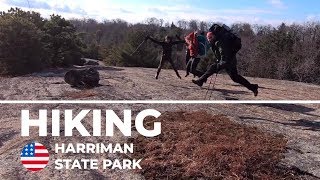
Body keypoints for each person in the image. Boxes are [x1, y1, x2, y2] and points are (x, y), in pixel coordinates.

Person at [192, 24, 259, 96]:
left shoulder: (220, 42)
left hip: (228, 61)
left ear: (214, 36)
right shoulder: (216, 41)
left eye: (210, 38)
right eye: (208, 38)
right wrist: (219, 61)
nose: (209, 40)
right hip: (229, 60)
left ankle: (200, 81)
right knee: (235, 78)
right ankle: (253, 87)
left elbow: (224, 55)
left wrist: (219, 64)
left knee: (213, 67)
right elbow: (221, 54)